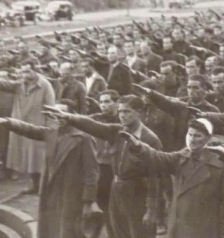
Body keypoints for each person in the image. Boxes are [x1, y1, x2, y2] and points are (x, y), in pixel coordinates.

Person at [45, 95, 161, 238]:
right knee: (118, 233)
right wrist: (68, 117)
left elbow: (155, 177)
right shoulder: (117, 132)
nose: (122, 115)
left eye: (127, 111)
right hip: (116, 191)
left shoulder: (150, 139)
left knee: (140, 233)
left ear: (139, 112)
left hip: (137, 194)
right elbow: (93, 126)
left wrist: (151, 209)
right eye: (120, 112)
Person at [0, 100, 99, 238]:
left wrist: (88, 201)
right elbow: (31, 130)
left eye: (61, 113)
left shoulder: (83, 138)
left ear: (71, 114)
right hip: (51, 190)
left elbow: (91, 171)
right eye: (53, 113)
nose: (57, 116)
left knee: (69, 229)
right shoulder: (53, 132)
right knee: (51, 226)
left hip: (71, 193)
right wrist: (8, 122)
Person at [119, 118, 224, 238]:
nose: (192, 139)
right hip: (179, 227)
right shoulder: (182, 156)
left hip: (205, 230)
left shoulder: (223, 166)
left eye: (197, 136)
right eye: (190, 134)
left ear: (209, 138)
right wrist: (139, 147)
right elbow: (158, 158)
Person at [0, 61, 56, 194]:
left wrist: (50, 127)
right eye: (22, 72)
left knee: (39, 157)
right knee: (29, 157)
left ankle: (45, 186)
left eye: (27, 71)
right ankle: (35, 184)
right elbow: (4, 84)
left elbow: (51, 108)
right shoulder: (20, 84)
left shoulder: (45, 85)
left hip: (37, 125)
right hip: (22, 125)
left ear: (34, 70)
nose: (24, 75)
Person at [89, 90, 120, 213]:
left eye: (107, 101)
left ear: (117, 103)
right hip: (100, 163)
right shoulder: (95, 119)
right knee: (101, 197)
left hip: (116, 164)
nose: (103, 105)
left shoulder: (122, 119)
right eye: (101, 102)